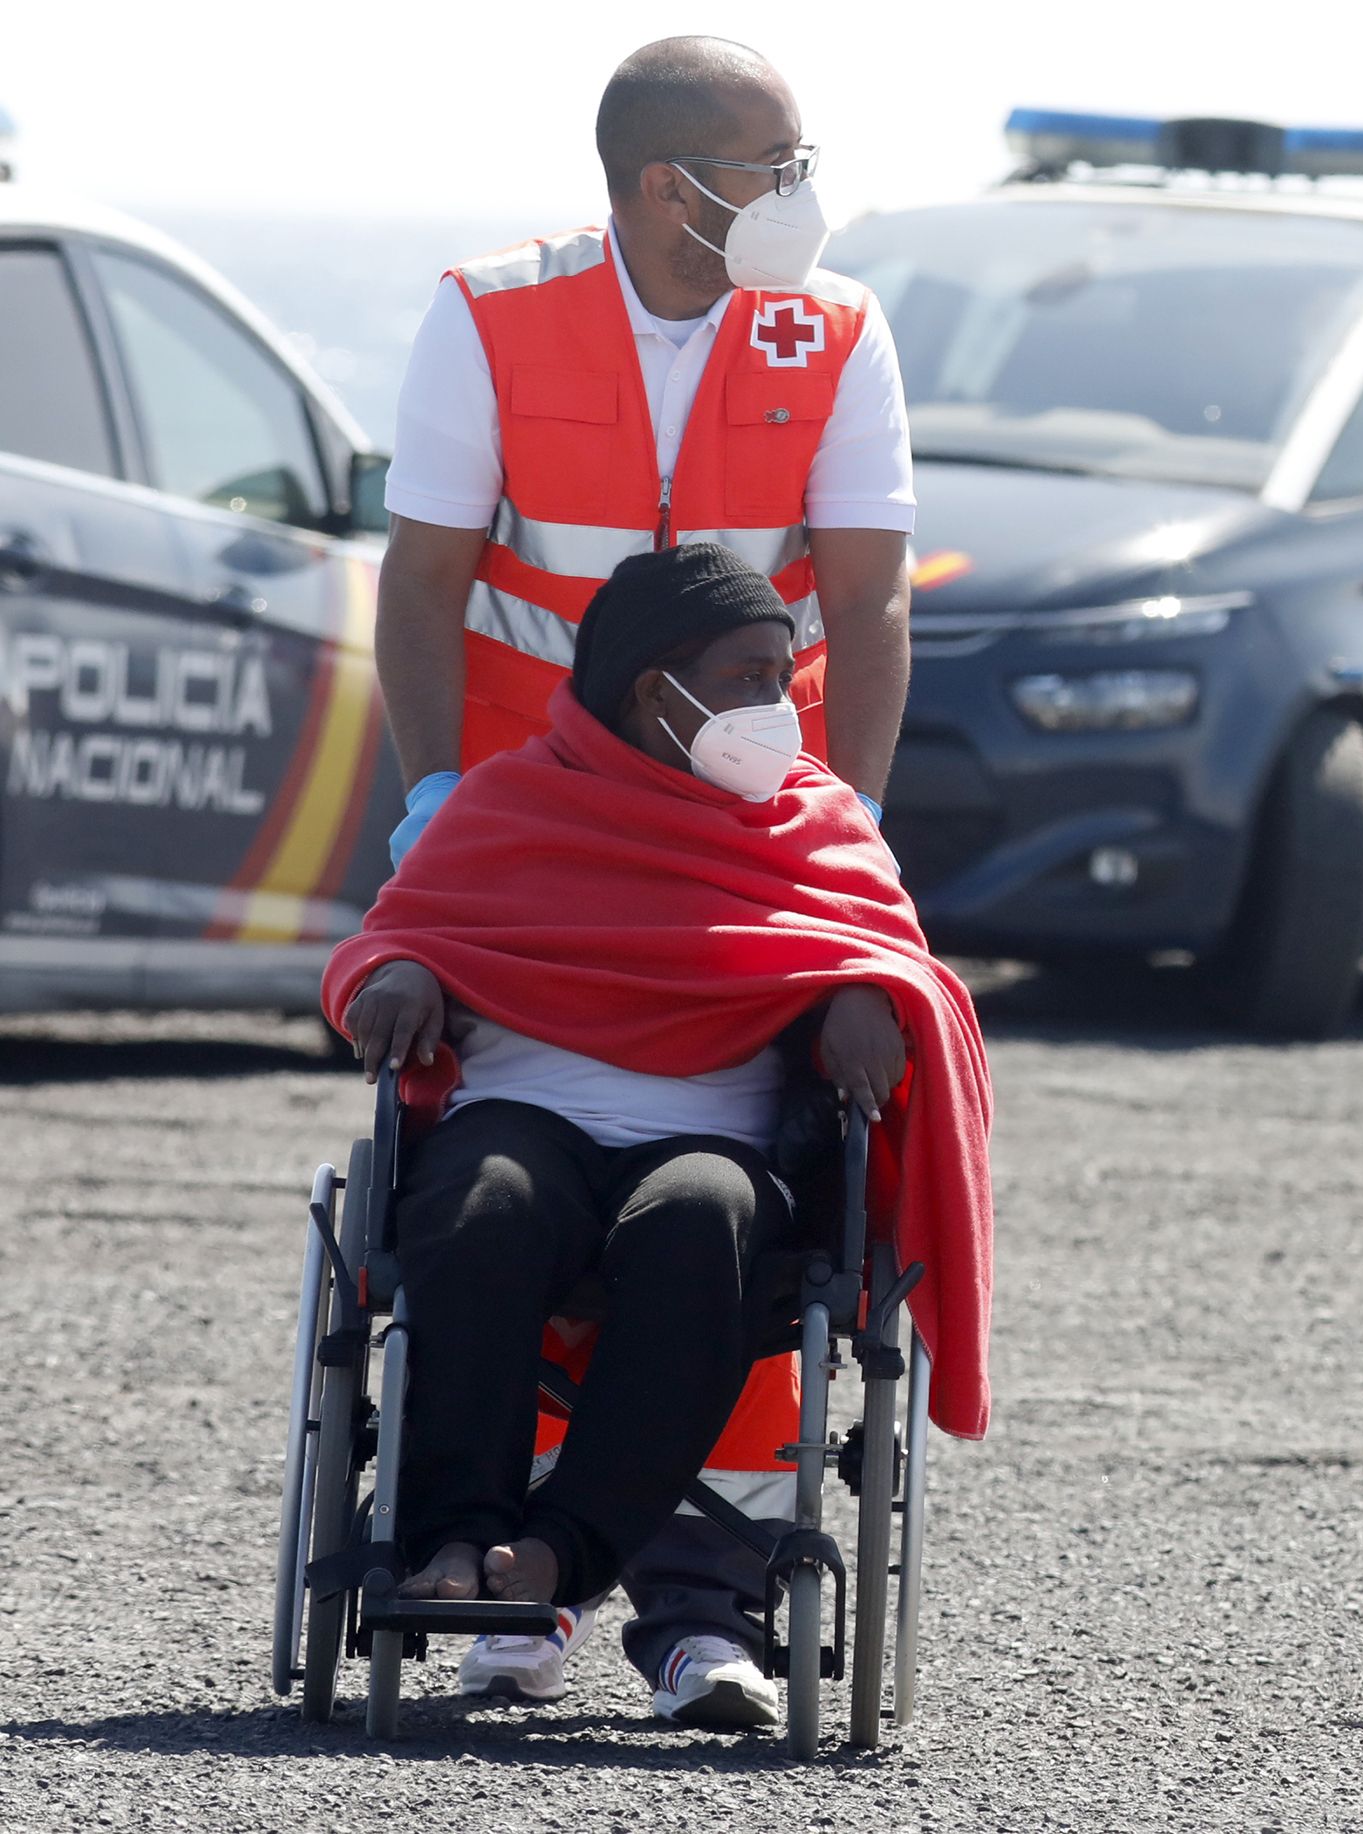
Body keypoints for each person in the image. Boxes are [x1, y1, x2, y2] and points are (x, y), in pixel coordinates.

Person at [370, 33, 915, 1721]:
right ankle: (502, 1584)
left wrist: (851, 842)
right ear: (663, 186)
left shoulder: (836, 332)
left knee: (722, 1213)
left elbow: (872, 600)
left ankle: (697, 1597)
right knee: (501, 1196)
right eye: (774, 161)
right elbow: (429, 580)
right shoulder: (491, 315)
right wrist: (441, 807)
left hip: (754, 837)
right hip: (538, 839)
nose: (802, 195)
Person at [326, 544, 992, 1688]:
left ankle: (553, 1551)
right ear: (654, 688)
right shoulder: (510, 801)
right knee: (483, 1204)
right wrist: (396, 977)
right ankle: (443, 1537)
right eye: (747, 678)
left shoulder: (815, 819)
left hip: (714, 1140)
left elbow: (892, 955)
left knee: (700, 1220)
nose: (776, 710)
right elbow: (393, 938)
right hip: (524, 1112)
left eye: (783, 678)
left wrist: (865, 996)